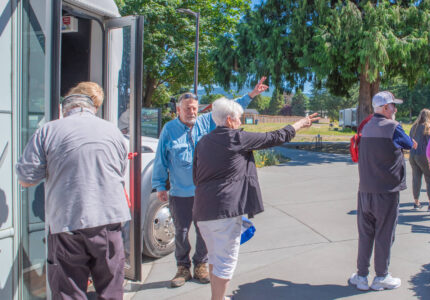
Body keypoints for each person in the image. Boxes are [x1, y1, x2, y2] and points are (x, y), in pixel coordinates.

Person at [192, 98, 319, 300]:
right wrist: (300, 124)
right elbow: (275, 137)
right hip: (224, 211)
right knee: (226, 261)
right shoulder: (236, 138)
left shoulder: (203, 142)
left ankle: (217, 297)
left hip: (202, 211)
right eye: (239, 119)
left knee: (215, 257)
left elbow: (196, 176)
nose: (240, 122)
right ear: (229, 120)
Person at [16, 82, 131, 299]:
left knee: (69, 291)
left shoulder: (48, 130)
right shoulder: (114, 132)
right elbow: (120, 170)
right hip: (109, 221)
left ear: (64, 109)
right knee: (111, 289)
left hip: (67, 222)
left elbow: (26, 178)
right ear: (93, 108)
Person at [152, 77, 269, 287]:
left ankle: (200, 265)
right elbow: (161, 159)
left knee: (203, 231)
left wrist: (251, 95)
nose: (192, 112)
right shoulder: (169, 129)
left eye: (195, 108)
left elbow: (230, 109)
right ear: (178, 109)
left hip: (203, 193)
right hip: (180, 193)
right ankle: (182, 268)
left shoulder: (206, 121)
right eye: (187, 108)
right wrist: (160, 185)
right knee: (181, 231)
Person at [348, 91, 416, 291]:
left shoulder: (366, 126)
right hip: (386, 191)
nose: (395, 109)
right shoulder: (393, 127)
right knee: (385, 234)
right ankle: (381, 277)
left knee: (365, 234)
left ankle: (361, 276)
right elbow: (410, 144)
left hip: (365, 190)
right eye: (393, 106)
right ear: (385, 108)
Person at [409, 109, 430, 210]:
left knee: (416, 178)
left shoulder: (413, 127)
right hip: (423, 155)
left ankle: (416, 202)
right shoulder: (427, 127)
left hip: (413, 155)